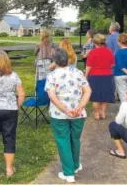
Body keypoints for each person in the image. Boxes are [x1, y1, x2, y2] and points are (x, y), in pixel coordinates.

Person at [45, 48, 91, 183]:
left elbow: (52, 96)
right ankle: (75, 165)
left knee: (63, 141)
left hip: (59, 115)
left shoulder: (52, 76)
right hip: (78, 113)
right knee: (75, 140)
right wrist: (80, 106)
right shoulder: (78, 73)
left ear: (55, 61)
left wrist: (65, 110)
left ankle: (68, 172)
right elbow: (88, 91)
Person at [85, 34, 115, 120]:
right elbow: (112, 64)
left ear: (94, 42)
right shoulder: (109, 51)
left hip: (94, 76)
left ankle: (96, 113)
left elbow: (88, 66)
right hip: (107, 76)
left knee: (95, 96)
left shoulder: (92, 52)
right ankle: (103, 112)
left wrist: (86, 76)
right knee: (104, 96)